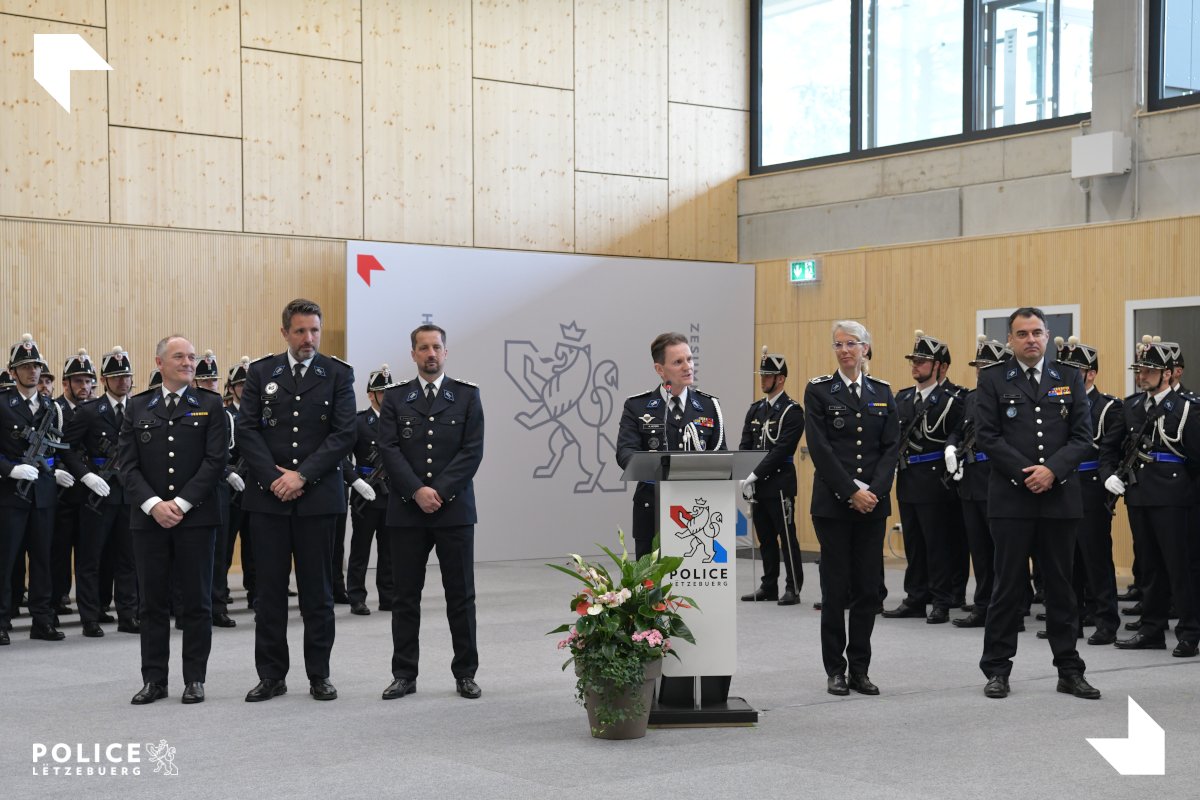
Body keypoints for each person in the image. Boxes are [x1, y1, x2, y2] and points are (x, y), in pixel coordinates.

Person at [236, 299, 356, 702]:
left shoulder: (338, 374)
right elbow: (247, 430)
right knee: (268, 593)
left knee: (318, 593)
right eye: (301, 331)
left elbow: (343, 434)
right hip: (268, 499)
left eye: (315, 331)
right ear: (285, 332)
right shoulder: (260, 372)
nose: (309, 339)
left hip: (318, 498)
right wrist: (276, 479)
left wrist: (302, 475)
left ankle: (319, 674)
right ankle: (271, 675)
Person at [975, 307, 1098, 700]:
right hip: (1011, 499)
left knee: (1061, 588)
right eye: (1022, 333)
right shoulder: (993, 379)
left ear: (1048, 336)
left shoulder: (1069, 377)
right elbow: (988, 437)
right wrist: (1026, 473)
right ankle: (997, 670)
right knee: (1007, 587)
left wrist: (1053, 472)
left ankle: (1069, 670)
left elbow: (1082, 436)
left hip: (1059, 499)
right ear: (1010, 340)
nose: (1031, 339)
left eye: (1037, 332)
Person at [377, 325, 484, 701]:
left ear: (446, 351)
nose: (430, 354)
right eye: (423, 348)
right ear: (413, 355)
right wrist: (417, 491)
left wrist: (437, 491)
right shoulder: (395, 398)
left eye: (436, 347)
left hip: (453, 510)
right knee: (405, 596)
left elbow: (472, 452)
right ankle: (404, 673)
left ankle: (465, 673)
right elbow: (388, 450)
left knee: (461, 595)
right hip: (407, 511)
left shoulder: (467, 397)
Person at [120, 335, 228, 704]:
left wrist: (180, 503)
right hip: (149, 520)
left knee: (197, 601)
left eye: (192, 357)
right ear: (159, 362)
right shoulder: (137, 407)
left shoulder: (211, 406)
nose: (187, 362)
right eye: (179, 356)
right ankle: (154, 679)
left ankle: (194, 678)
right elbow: (127, 465)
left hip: (196, 518)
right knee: (151, 602)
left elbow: (215, 463)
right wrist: (154, 504)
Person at [804, 321, 899, 696]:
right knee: (836, 588)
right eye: (839, 344)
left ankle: (860, 668)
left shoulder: (881, 392)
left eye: (852, 344)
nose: (845, 350)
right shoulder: (819, 391)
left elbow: (891, 447)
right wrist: (850, 492)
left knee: (867, 591)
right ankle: (835, 669)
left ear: (866, 348)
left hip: (872, 506)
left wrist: (873, 491)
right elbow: (820, 448)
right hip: (834, 504)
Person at [1104, 339, 1200, 656]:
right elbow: (1110, 448)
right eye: (1140, 369)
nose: (1142, 375)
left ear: (1170, 374)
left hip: (1175, 498)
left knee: (1180, 567)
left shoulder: (1188, 408)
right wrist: (1109, 475)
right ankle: (1152, 629)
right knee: (1149, 567)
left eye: (1149, 370)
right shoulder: (1131, 407)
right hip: (1139, 496)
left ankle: (1189, 632)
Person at [615, 332, 727, 561]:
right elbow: (625, 452)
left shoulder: (708, 406)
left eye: (689, 359)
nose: (688, 367)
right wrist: (656, 469)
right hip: (652, 505)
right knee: (651, 585)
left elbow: (721, 455)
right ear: (660, 369)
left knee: (696, 582)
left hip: (697, 508)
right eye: (678, 362)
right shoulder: (638, 407)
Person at [883, 331, 965, 624]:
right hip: (907, 477)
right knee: (914, 543)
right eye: (913, 361)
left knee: (938, 542)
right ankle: (915, 597)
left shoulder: (955, 399)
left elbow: (960, 433)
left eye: (921, 361)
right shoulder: (903, 398)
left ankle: (942, 600)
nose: (915, 366)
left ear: (940, 367)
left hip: (935, 480)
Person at [62, 346, 140, 637]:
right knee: (91, 558)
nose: (122, 382)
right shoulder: (90, 412)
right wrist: (86, 476)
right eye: (116, 376)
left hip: (130, 494)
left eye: (127, 376)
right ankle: (90, 616)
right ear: (104, 380)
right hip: (98, 494)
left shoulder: (139, 408)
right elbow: (67, 449)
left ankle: (128, 614)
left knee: (128, 557)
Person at [1052, 337, 1122, 646]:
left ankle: (1106, 620)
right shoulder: (1057, 402)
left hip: (1092, 487)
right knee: (1067, 560)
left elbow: (1108, 450)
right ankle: (1074, 620)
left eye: (1075, 370)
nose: (1068, 375)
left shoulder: (1108, 407)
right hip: (1063, 486)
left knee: (1095, 558)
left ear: (1090, 374)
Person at [0, 334, 68, 645]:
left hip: (42, 494)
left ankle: (42, 619)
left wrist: (57, 472)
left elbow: (56, 448)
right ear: (12, 371)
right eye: (25, 366)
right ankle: (2, 620)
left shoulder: (51, 407)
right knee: (6, 559)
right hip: (11, 494)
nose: (33, 372)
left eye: (36, 366)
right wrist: (9, 468)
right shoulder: (3, 404)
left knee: (43, 558)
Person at [945, 336, 1012, 629]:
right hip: (970, 482)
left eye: (987, 366)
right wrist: (951, 447)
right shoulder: (971, 398)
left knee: (1005, 552)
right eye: (978, 366)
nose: (980, 371)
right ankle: (984, 606)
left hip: (998, 481)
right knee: (981, 551)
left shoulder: (1012, 396)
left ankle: (1011, 608)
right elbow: (959, 430)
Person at [739, 348, 804, 606]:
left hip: (779, 484)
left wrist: (754, 474)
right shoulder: (756, 410)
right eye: (762, 374)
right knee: (765, 538)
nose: (763, 379)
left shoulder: (792, 411)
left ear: (781, 379)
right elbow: (745, 445)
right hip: (758, 486)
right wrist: (745, 475)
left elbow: (781, 451)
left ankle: (793, 587)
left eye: (768, 375)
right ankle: (769, 586)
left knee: (786, 538)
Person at [193, 350, 241, 628]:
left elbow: (222, 455)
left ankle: (218, 605)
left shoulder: (225, 417)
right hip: (191, 489)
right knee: (192, 553)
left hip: (218, 489)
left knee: (220, 551)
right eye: (205, 381)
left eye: (214, 381)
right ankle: (191, 606)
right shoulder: (186, 410)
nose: (211, 385)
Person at [344, 364, 394, 616]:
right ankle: (356, 596)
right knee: (361, 548)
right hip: (366, 493)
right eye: (382, 392)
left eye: (389, 392)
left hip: (391, 494)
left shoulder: (397, 421)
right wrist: (356, 481)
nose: (387, 397)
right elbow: (342, 458)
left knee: (389, 549)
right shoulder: (359, 422)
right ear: (371, 394)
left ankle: (387, 595)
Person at [51, 349, 96, 617]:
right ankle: (58, 598)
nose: (84, 386)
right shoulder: (54, 410)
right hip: (61, 491)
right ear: (66, 383)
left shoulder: (95, 410)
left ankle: (90, 604)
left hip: (89, 493)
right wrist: (55, 469)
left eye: (88, 381)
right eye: (77, 381)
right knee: (59, 550)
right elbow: (53, 447)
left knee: (88, 552)